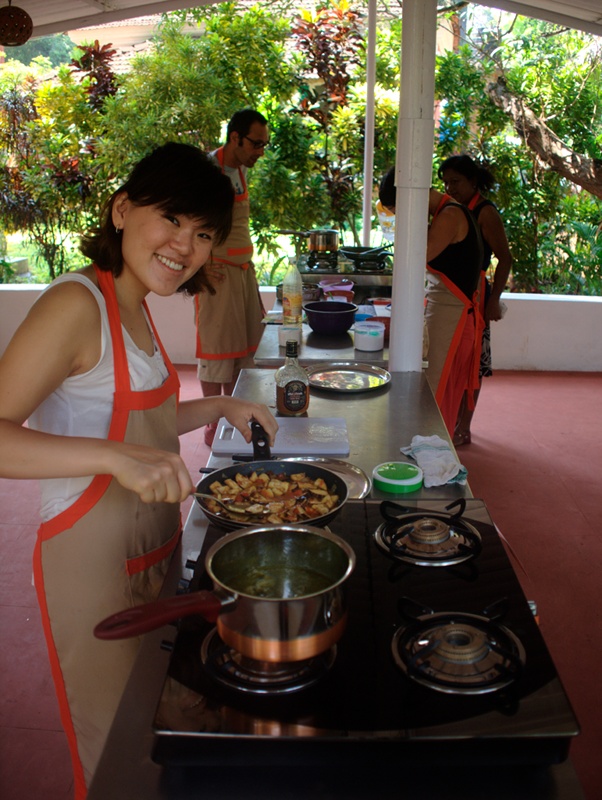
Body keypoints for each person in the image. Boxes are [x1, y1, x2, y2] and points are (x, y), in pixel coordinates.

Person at [0, 142, 278, 798]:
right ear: (122, 210)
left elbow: (139, 423)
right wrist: (110, 459)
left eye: (204, 233)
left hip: (151, 550)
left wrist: (218, 405)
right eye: (173, 219)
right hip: (90, 563)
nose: (186, 246)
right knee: (116, 753)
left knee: (155, 732)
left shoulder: (136, 303)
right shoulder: (76, 304)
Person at [379, 168, 484, 435]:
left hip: (453, 317)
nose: (400, 216)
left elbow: (417, 258)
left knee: (433, 396)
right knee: (435, 393)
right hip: (444, 310)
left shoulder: (450, 216)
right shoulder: (444, 214)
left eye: (397, 209)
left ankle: (431, 459)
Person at [195, 109, 269, 446]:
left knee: (243, 352)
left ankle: (237, 416)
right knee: (217, 353)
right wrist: (200, 265)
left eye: (264, 145)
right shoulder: (207, 170)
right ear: (235, 137)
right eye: (255, 144)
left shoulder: (240, 168)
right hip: (218, 276)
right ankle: (212, 426)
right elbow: (193, 221)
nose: (259, 152)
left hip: (242, 274)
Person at [436, 155, 513, 445]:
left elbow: (505, 258)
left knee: (474, 364)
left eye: (455, 182)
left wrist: (494, 300)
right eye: (445, 183)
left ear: (472, 181)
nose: (450, 188)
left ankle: (463, 427)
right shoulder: (451, 209)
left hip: (476, 296)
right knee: (453, 360)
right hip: (451, 294)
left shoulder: (485, 212)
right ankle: (448, 420)